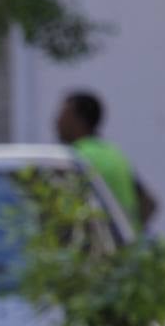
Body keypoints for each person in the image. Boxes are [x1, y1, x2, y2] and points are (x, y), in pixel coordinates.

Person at [55, 91, 158, 234]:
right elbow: (149, 203)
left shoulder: (76, 157)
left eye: (63, 116)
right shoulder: (113, 153)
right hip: (125, 250)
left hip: (96, 251)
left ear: (80, 121)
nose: (56, 121)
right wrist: (128, 236)